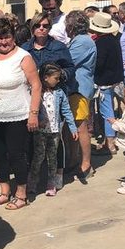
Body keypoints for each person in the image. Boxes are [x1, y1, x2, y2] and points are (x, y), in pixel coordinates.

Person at [0, 17, 41, 210]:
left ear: (13, 36)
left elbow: (36, 85)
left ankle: (21, 194)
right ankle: (5, 191)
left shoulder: (23, 57)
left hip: (17, 115)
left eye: (7, 37)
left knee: (17, 155)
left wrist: (33, 113)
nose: (3, 41)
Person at [21, 12, 76, 187]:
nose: (41, 29)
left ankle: (57, 174)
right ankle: (33, 177)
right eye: (38, 26)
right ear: (32, 28)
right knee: (32, 140)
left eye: (45, 26)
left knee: (55, 139)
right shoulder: (24, 48)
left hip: (54, 97)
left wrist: (58, 77)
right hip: (31, 98)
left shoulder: (59, 47)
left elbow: (70, 67)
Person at [29, 64, 77, 196]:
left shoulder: (59, 93)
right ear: (45, 77)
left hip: (55, 132)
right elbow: (31, 108)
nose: (58, 80)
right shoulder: (36, 92)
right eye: (56, 78)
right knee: (38, 157)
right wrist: (38, 119)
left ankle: (51, 183)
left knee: (53, 158)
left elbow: (66, 110)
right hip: (40, 132)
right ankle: (33, 182)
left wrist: (72, 127)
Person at [65, 11, 97, 180]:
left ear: (71, 26)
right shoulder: (79, 40)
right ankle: (73, 161)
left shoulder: (82, 42)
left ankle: (86, 163)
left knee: (80, 126)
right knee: (73, 127)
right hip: (74, 89)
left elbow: (67, 61)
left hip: (80, 89)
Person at [89, 12, 124, 154]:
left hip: (104, 81)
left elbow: (100, 63)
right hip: (114, 79)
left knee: (107, 111)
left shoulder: (101, 43)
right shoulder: (113, 39)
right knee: (109, 109)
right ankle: (110, 141)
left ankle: (110, 143)